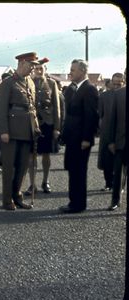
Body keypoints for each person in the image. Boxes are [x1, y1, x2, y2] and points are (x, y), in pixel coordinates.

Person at [0, 52, 41, 211]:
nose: (32, 68)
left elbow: (32, 107)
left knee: (22, 166)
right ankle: (7, 200)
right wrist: (4, 130)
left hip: (27, 129)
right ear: (21, 63)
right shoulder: (8, 83)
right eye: (30, 65)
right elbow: (1, 109)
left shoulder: (30, 83)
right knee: (9, 167)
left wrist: (35, 127)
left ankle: (17, 196)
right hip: (11, 130)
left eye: (34, 66)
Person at [59, 59, 99, 214]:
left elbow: (91, 116)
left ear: (83, 71)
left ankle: (78, 204)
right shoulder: (71, 89)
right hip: (71, 138)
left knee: (79, 171)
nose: (70, 72)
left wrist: (87, 139)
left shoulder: (90, 89)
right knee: (72, 169)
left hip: (82, 140)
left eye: (73, 70)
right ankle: (73, 201)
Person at [24, 58, 61, 195]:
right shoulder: (28, 82)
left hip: (47, 123)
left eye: (41, 69)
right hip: (32, 123)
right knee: (31, 155)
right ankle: (32, 184)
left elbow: (57, 107)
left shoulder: (51, 83)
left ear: (45, 70)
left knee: (46, 155)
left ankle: (46, 181)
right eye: (36, 69)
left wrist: (57, 127)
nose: (39, 71)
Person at [97, 72, 124, 191]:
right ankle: (108, 183)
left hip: (122, 133)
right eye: (115, 83)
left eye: (119, 83)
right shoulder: (104, 96)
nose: (117, 86)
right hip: (107, 131)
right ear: (111, 83)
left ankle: (120, 186)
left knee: (121, 162)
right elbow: (100, 115)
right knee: (107, 160)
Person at [107, 71, 126, 210]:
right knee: (117, 171)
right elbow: (112, 120)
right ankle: (115, 200)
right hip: (121, 140)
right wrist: (111, 141)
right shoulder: (119, 94)